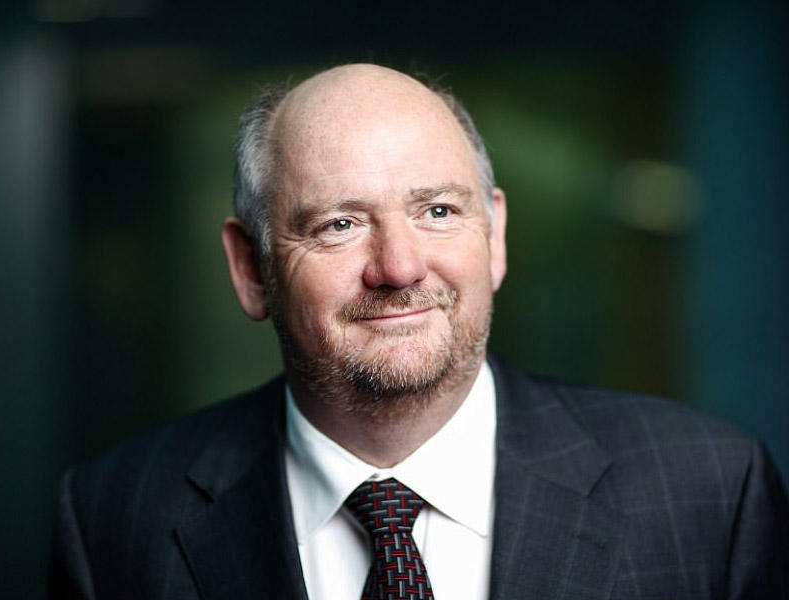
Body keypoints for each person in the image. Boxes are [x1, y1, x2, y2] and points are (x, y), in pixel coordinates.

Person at [49, 64, 789, 599]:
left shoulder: (709, 491)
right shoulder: (114, 518)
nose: (399, 267)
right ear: (251, 269)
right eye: (339, 224)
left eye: (438, 211)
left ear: (494, 235)